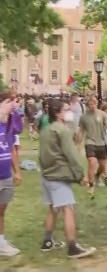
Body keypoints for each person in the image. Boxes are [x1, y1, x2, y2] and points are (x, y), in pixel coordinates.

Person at [39, 99, 96, 258]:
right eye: (66, 109)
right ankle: (73, 247)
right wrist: (81, 175)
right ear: (57, 113)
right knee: (68, 209)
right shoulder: (61, 130)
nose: (69, 111)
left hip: (46, 175)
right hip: (58, 176)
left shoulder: (46, 129)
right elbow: (72, 154)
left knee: (53, 208)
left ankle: (47, 241)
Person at [0, 90, 23, 257]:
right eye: (10, 101)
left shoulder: (10, 124)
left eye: (15, 101)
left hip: (6, 174)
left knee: (1, 210)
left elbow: (13, 149)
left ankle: (1, 241)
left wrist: (17, 171)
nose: (14, 105)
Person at [78, 95, 107, 197]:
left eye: (94, 104)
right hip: (90, 142)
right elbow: (81, 131)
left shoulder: (102, 114)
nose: (92, 106)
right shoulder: (84, 117)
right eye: (90, 104)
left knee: (103, 165)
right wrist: (78, 142)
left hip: (101, 142)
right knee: (92, 162)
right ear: (87, 105)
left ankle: (97, 176)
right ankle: (91, 185)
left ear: (97, 104)